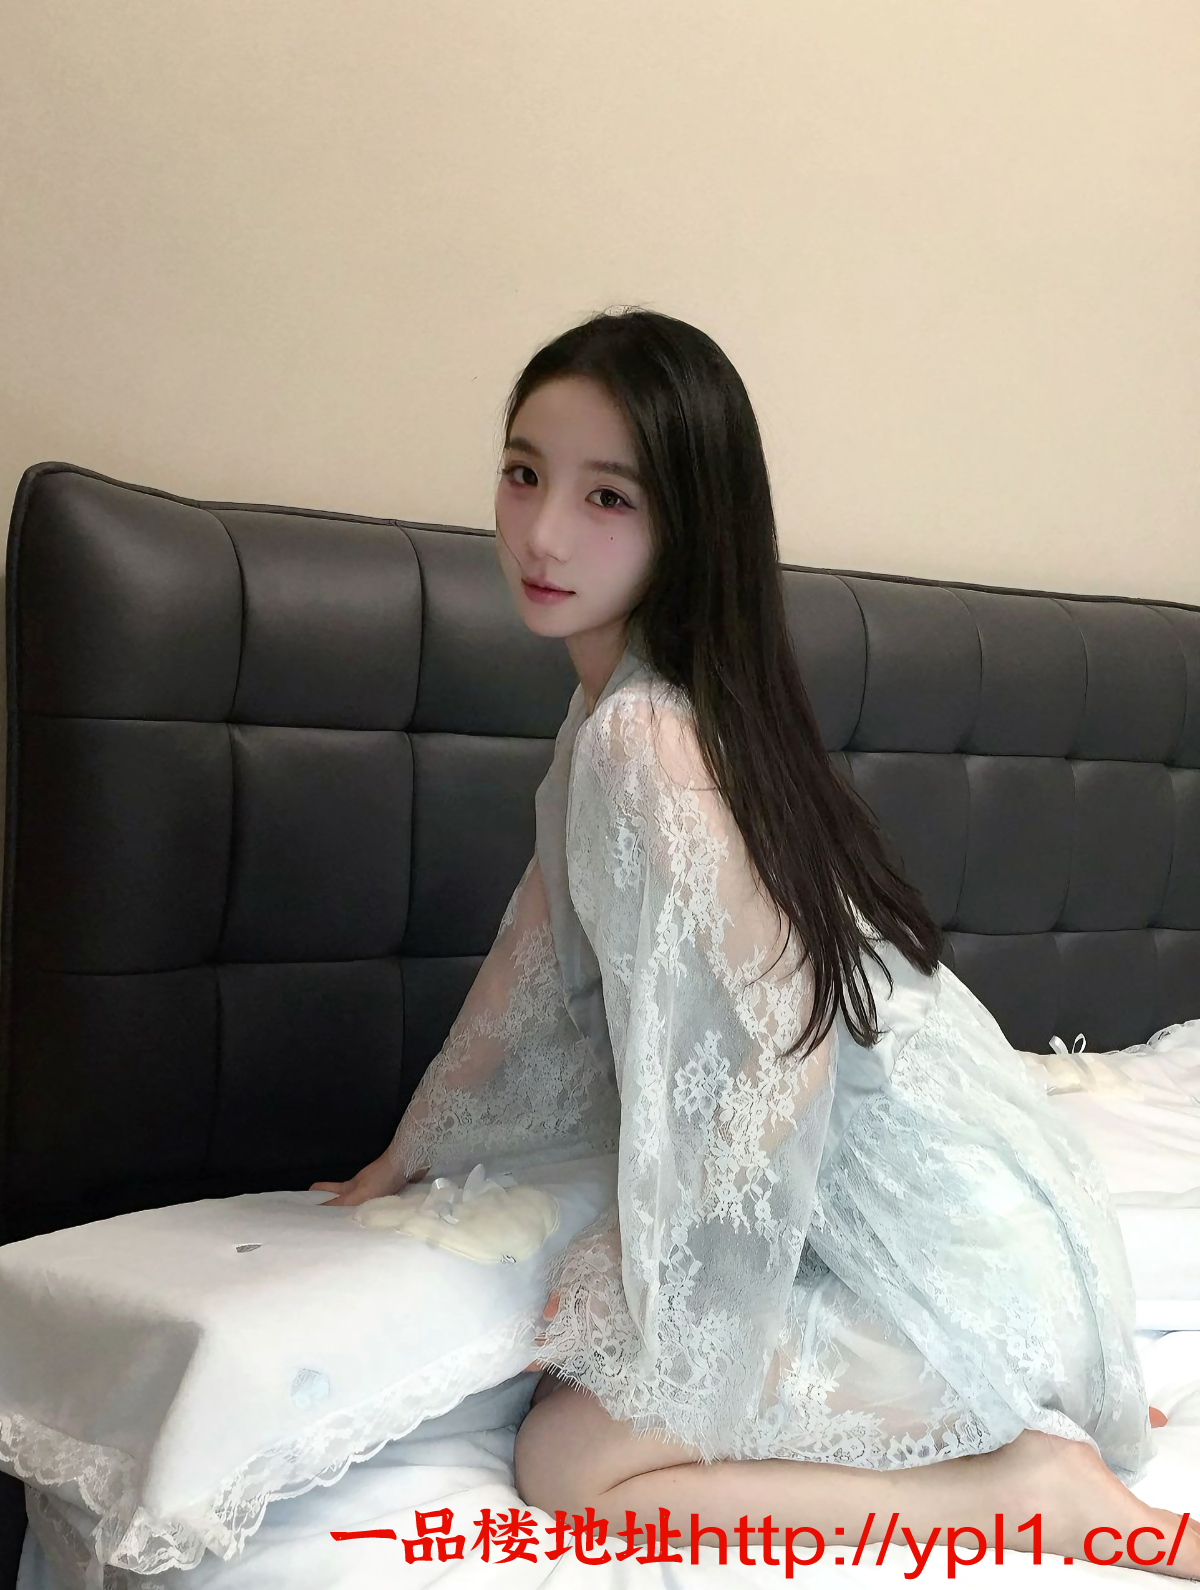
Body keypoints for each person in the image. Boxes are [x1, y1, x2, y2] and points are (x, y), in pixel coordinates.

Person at [312, 307, 1195, 1577]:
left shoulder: (645, 736)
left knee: (567, 1464)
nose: (542, 534)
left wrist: (648, 1273)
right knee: (581, 1419)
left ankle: (1036, 1498)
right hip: (976, 1230)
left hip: (943, 1265)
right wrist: (408, 1153)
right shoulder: (621, 720)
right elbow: (528, 957)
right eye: (522, 473)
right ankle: (1013, 1444)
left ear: (690, 522)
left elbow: (788, 1046)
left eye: (606, 496)